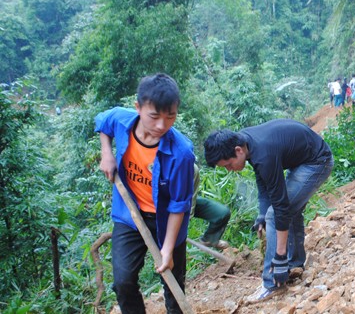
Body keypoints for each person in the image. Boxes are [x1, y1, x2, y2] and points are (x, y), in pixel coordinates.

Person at [203, 119, 333, 303]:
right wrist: (262, 213)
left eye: (228, 165)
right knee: (282, 211)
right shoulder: (244, 141)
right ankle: (295, 264)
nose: (230, 170)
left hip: (317, 162)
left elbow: (280, 207)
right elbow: (262, 181)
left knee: (277, 214)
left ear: (238, 151)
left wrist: (279, 256)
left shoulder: (263, 154)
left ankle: (271, 283)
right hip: (301, 160)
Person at [96, 73, 195, 314]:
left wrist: (167, 249)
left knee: (172, 284)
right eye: (154, 116)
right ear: (138, 108)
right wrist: (106, 153)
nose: (162, 125)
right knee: (123, 281)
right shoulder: (121, 121)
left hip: (165, 224)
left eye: (170, 117)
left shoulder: (181, 153)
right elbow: (102, 122)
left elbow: (178, 204)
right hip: (129, 217)